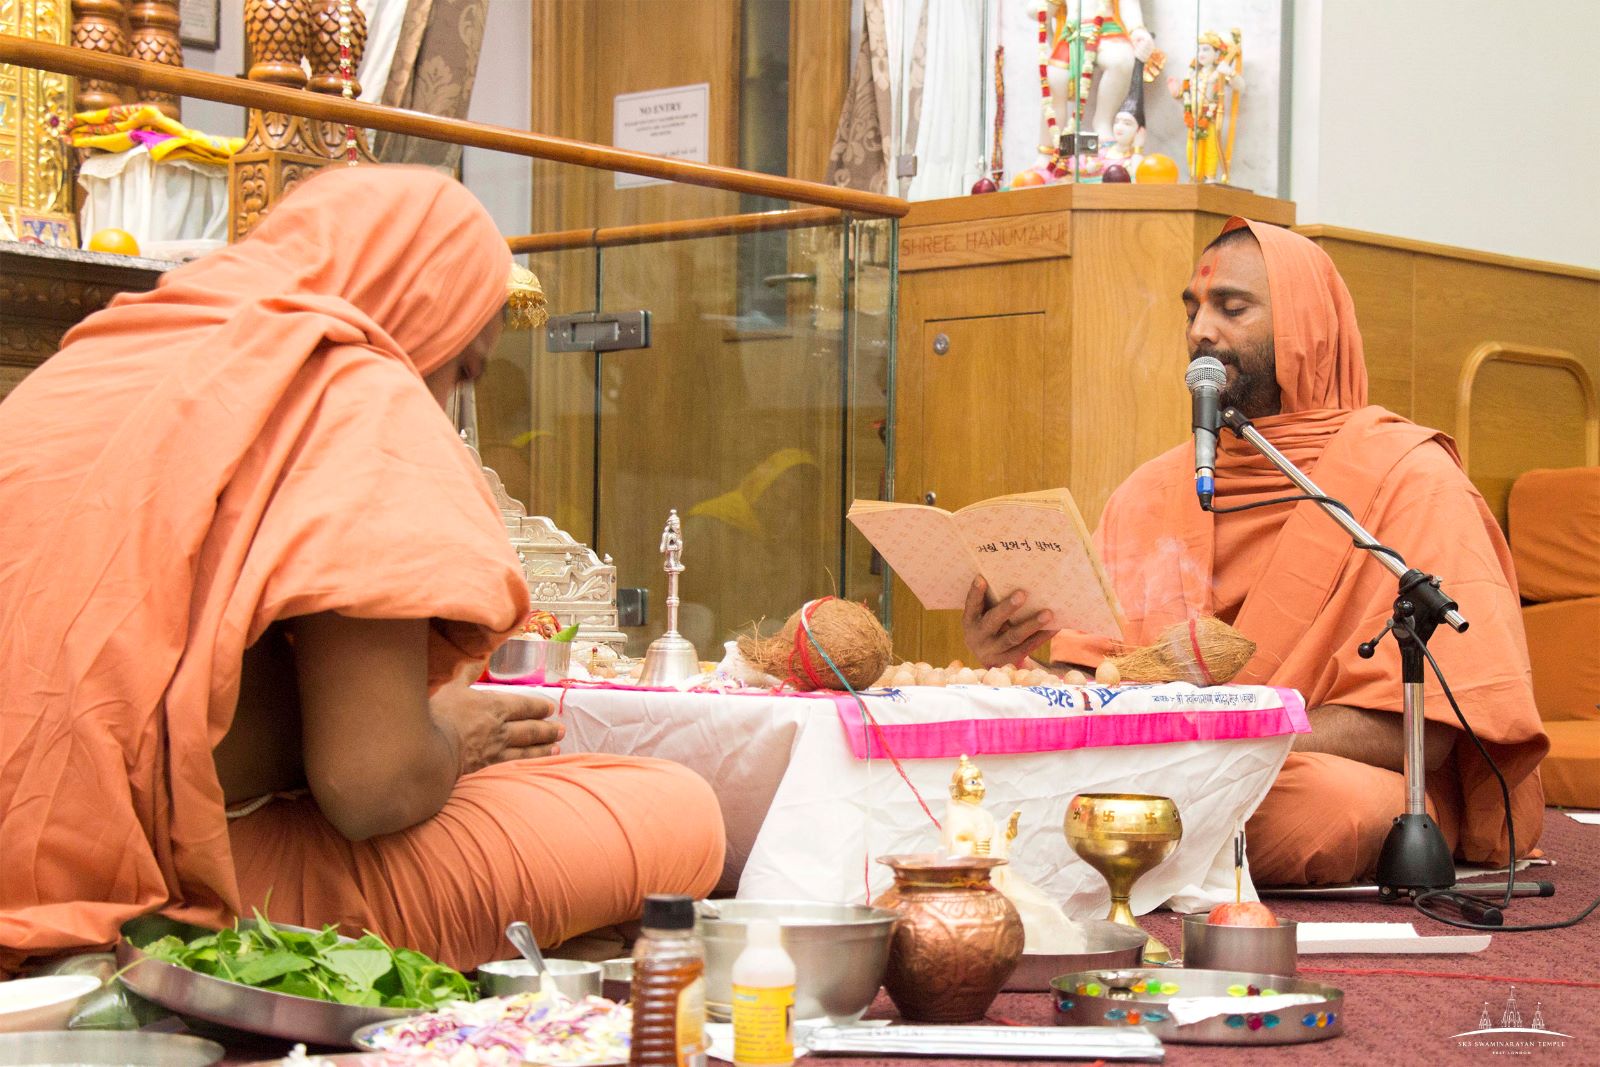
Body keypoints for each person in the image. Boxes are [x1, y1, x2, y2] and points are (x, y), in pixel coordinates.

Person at [0, 166, 725, 977]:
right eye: (463, 371)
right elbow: (370, 786)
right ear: (422, 313)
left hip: (32, 863)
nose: (445, 404)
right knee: (678, 808)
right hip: (166, 893)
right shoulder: (358, 389)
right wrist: (455, 736)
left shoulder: (103, 354)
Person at [962, 217, 1547, 885]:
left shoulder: (1410, 477)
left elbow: (1425, 730)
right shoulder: (1151, 491)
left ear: (1307, 330)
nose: (1200, 331)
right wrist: (1011, 659)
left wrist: (1220, 735)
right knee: (989, 765)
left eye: (1231, 308)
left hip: (1299, 769)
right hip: (1160, 759)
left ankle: (1118, 836)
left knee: (1332, 808)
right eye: (1192, 310)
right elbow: (1098, 681)